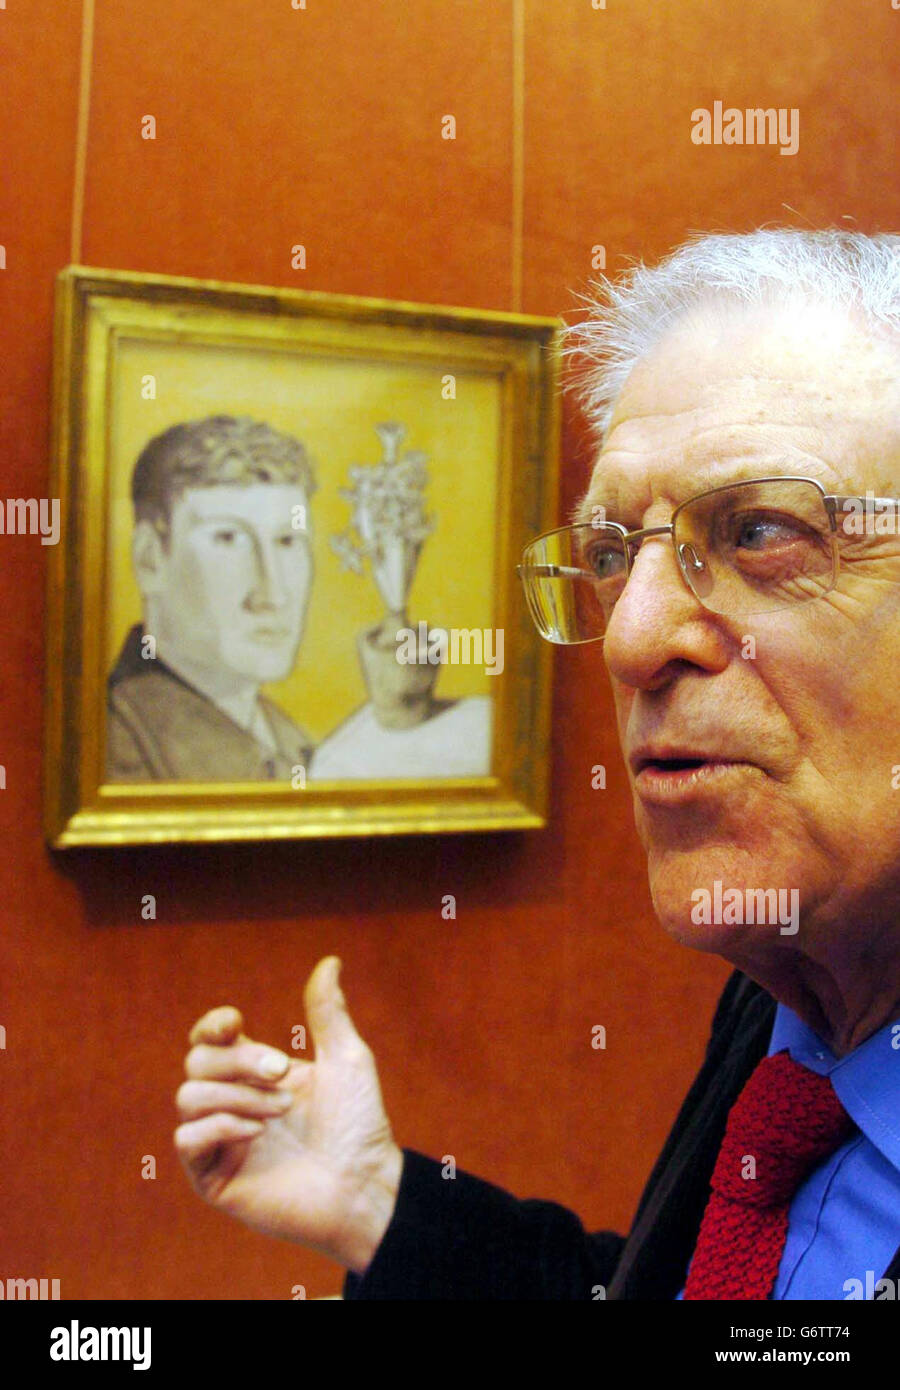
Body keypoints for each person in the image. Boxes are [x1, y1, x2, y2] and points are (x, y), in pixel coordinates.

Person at [174, 228, 900, 1299]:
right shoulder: (782, 1008)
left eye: (758, 533)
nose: (629, 637)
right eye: (610, 555)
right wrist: (375, 1201)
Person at [106, 415, 316, 782]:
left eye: (287, 541)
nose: (273, 594)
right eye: (228, 539)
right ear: (150, 560)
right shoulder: (114, 753)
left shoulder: (295, 745)